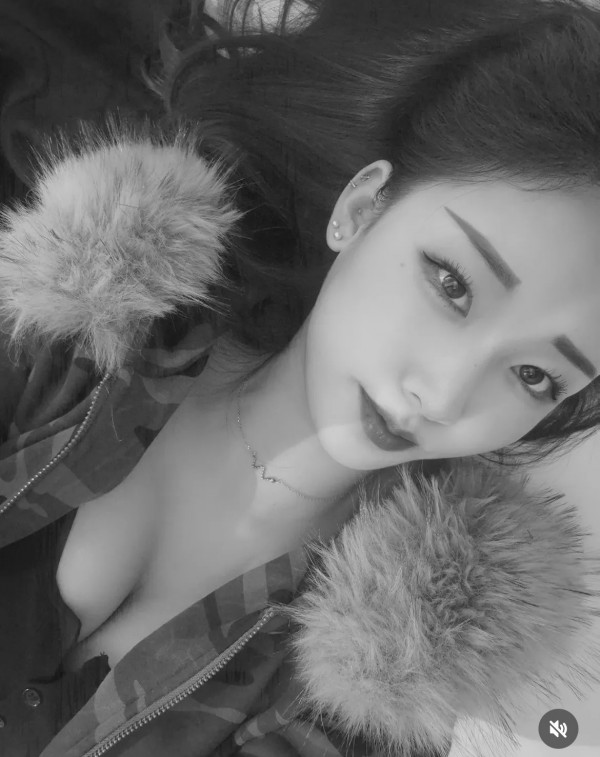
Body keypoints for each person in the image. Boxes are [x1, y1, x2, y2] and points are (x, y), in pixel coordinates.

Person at [0, 0, 600, 755]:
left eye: (535, 375)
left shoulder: (370, 697)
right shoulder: (61, 335)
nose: (444, 395)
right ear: (362, 207)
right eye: (452, 284)